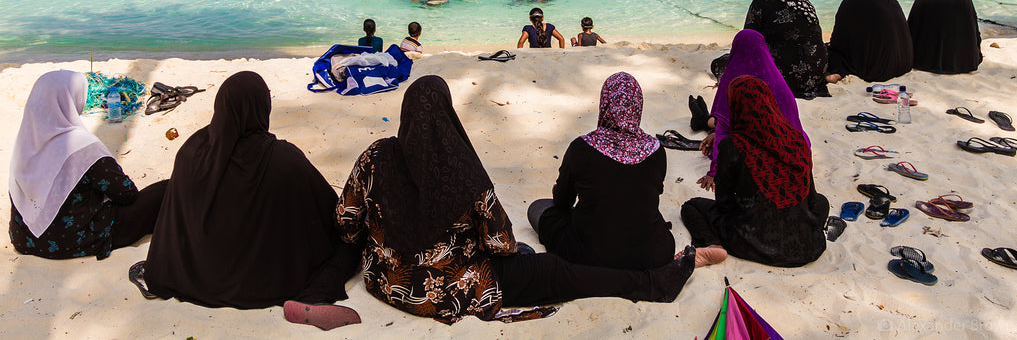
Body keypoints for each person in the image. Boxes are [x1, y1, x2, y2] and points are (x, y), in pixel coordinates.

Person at [336, 75, 722, 324]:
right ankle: (651, 284)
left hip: (384, 280)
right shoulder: (464, 171)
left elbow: (346, 222)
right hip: (459, 288)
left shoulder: (375, 156)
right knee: (555, 272)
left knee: (546, 219)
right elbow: (500, 243)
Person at [140, 72, 362, 327]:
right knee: (350, 242)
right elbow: (332, 213)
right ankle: (313, 296)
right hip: (265, 283)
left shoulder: (192, 151)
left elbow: (174, 218)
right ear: (262, 107)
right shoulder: (283, 160)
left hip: (192, 276)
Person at [9, 70, 167, 260]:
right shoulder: (82, 146)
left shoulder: (25, 143)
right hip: (76, 240)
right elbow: (126, 194)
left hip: (25, 239)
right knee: (165, 190)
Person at [528, 73, 675, 270]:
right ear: (638, 106)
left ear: (604, 104)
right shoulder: (656, 150)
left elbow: (562, 202)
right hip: (651, 254)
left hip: (590, 254)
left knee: (538, 208)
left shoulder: (582, 148)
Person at [680, 76, 828, 268]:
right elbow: (811, 198)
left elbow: (724, 203)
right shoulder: (796, 140)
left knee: (691, 207)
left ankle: (712, 243)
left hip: (752, 242)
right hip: (806, 247)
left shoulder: (733, 146)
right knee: (822, 202)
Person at [697, 29, 809, 193]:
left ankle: (701, 119)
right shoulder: (779, 82)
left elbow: (724, 135)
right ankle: (702, 119)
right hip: (794, 155)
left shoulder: (733, 85)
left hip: (762, 163)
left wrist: (714, 172)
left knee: (723, 139)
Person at [743, 0, 829, 99]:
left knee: (721, 63)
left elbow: (747, 38)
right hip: (815, 75)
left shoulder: (761, 1)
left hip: (781, 76)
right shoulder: (805, 3)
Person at [825, 0, 913, 83]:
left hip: (870, 69)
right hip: (901, 65)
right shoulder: (892, 2)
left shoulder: (851, 4)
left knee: (826, 51)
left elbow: (838, 43)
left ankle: (837, 74)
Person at [907, 0, 983, 74]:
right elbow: (974, 33)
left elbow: (911, 29)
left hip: (924, 61)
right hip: (963, 63)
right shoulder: (964, 0)